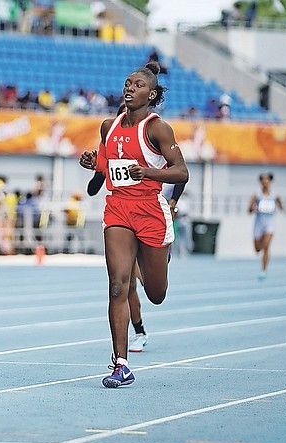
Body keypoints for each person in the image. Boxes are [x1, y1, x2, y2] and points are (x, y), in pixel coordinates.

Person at [79, 62, 189, 387]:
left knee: (156, 294)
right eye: (127, 83)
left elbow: (181, 172)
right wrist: (93, 163)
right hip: (117, 210)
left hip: (150, 212)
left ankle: (157, 256)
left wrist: (149, 173)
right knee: (118, 285)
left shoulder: (158, 129)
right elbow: (108, 163)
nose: (129, 88)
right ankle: (121, 364)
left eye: (137, 85)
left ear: (151, 94)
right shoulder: (107, 126)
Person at [248, 172, 283, 280]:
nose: (265, 182)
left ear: (270, 181)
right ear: (260, 182)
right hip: (258, 224)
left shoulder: (275, 195)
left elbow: (281, 206)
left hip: (269, 224)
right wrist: (253, 209)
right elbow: (249, 210)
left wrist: (280, 206)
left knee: (266, 246)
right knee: (258, 249)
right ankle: (262, 251)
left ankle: (263, 270)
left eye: (267, 180)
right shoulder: (256, 195)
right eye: (263, 180)